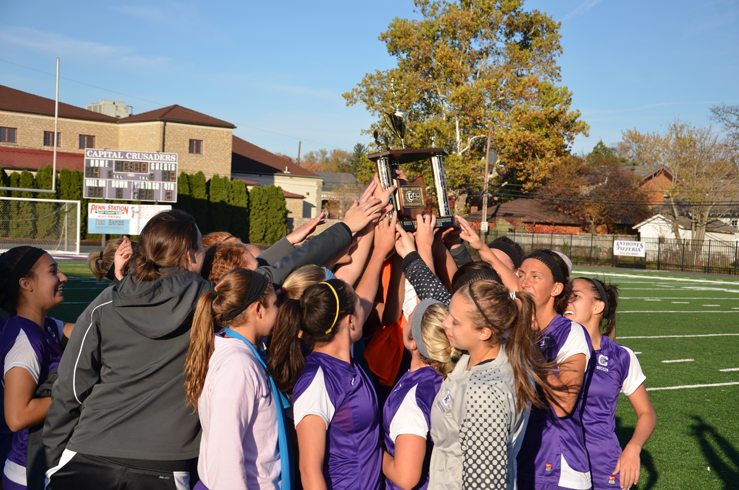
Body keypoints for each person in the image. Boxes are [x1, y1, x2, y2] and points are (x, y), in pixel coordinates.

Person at [43, 210, 210, 489]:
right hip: (165, 462)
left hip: (89, 453)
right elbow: (260, 288)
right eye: (202, 247)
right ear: (190, 256)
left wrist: (51, 459)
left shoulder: (107, 301)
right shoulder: (210, 303)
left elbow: (71, 386)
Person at [268, 214, 397, 490]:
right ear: (350, 322)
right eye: (359, 306)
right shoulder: (317, 380)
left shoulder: (349, 362)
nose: (365, 305)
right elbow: (309, 469)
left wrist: (379, 251)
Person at [429, 281, 555, 490]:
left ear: (484, 332)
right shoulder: (497, 346)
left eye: (456, 322)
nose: (445, 323)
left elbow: (486, 484)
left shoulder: (484, 394)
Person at [184, 268, 287, 490]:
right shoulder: (237, 366)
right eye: (275, 304)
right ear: (258, 309)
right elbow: (226, 453)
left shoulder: (239, 353)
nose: (279, 311)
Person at [566, 278, 656, 489]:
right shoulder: (550, 347)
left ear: (598, 307)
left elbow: (647, 413)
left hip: (603, 464)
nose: (566, 303)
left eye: (575, 297)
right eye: (564, 298)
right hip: (560, 460)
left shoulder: (621, 356)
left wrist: (633, 447)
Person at [516, 250, 594, 490]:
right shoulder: (510, 328)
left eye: (535, 276)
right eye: (520, 274)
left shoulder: (571, 333)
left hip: (556, 468)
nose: (524, 282)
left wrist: (531, 346)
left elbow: (563, 405)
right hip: (517, 460)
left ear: (556, 289)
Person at [0, 247, 73, 490]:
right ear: (26, 283)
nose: (63, 278)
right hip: (29, 475)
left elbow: (93, 331)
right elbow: (17, 416)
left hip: (42, 467)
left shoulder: (47, 326)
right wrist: (78, 394)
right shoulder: (25, 340)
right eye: (53, 271)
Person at [381, 298, 457, 490]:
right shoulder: (450, 378)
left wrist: (373, 451)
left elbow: (406, 478)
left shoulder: (413, 398)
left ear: (413, 343)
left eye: (410, 320)